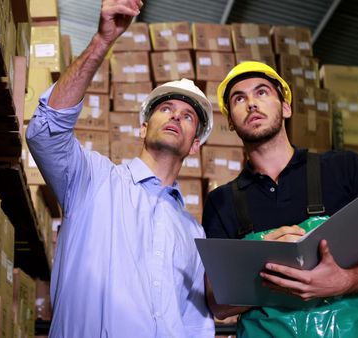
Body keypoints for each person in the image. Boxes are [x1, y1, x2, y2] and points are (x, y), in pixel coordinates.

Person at [25, 0, 216, 336]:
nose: (176, 116)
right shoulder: (92, 181)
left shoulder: (192, 232)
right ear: (143, 127)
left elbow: (194, 324)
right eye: (166, 109)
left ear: (195, 144)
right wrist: (102, 41)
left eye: (188, 117)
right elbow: (46, 131)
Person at [201, 61, 358, 337]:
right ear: (231, 121)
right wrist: (261, 267)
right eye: (239, 99)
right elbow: (217, 303)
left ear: (286, 107)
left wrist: (343, 280)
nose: (251, 103)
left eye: (262, 92)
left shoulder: (344, 168)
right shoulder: (221, 202)